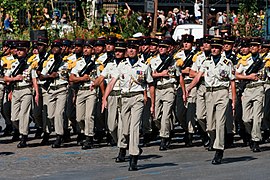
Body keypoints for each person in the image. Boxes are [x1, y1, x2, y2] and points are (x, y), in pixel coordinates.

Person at [102, 38, 155, 171]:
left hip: (137, 98)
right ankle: (129, 146)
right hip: (124, 98)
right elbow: (112, 82)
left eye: (134, 49)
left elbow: (150, 84)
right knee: (124, 130)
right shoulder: (121, 66)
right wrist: (104, 97)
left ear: (137, 51)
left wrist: (152, 102)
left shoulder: (144, 66)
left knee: (134, 128)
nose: (131, 51)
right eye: (129, 49)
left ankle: (133, 157)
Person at [186, 38, 236, 164]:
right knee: (209, 125)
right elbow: (198, 76)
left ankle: (219, 150)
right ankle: (214, 141)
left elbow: (232, 81)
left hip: (222, 92)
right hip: (209, 93)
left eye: (216, 48)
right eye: (212, 47)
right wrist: (189, 87)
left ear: (221, 49)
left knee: (220, 122)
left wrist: (233, 100)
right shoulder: (206, 61)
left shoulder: (227, 62)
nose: (213, 49)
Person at [148, 39, 186, 150]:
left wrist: (183, 92)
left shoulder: (174, 61)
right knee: (156, 116)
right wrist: (160, 74)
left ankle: (164, 138)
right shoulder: (153, 61)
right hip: (157, 89)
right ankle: (167, 130)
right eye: (159, 47)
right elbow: (149, 76)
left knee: (166, 115)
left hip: (169, 88)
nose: (161, 49)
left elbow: (179, 77)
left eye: (163, 47)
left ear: (168, 49)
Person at [4, 41, 39, 148]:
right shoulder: (13, 64)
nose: (19, 52)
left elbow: (34, 80)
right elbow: (6, 78)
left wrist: (37, 93)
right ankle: (22, 129)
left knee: (24, 114)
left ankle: (24, 137)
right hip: (15, 91)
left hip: (26, 91)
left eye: (21, 50)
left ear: (26, 51)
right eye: (18, 50)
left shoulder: (29, 65)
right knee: (14, 117)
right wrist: (14, 79)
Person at [235, 37, 265, 152]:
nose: (252, 47)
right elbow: (236, 75)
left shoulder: (264, 61)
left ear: (259, 48)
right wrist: (248, 77)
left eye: (255, 46)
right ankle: (251, 134)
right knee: (246, 119)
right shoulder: (244, 61)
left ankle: (256, 140)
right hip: (247, 89)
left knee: (257, 118)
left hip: (258, 88)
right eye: (251, 46)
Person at [39, 40, 70, 148]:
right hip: (51, 89)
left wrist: (57, 74)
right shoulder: (49, 61)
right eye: (53, 47)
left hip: (61, 89)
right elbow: (41, 76)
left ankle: (59, 136)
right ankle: (61, 131)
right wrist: (49, 76)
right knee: (50, 115)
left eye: (57, 47)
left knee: (59, 113)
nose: (55, 49)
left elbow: (67, 75)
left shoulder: (65, 62)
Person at [69, 39, 98, 149]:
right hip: (81, 90)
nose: (86, 50)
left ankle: (89, 137)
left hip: (91, 90)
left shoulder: (96, 63)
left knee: (89, 116)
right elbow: (71, 78)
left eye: (88, 48)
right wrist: (81, 78)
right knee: (79, 118)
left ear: (92, 50)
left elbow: (100, 78)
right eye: (85, 48)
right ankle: (83, 131)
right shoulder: (79, 63)